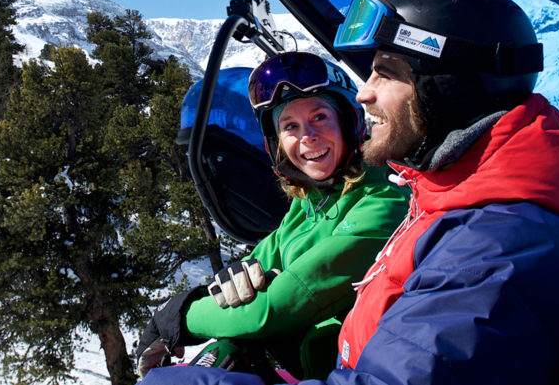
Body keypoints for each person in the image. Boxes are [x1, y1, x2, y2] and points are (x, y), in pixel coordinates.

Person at [143, 0, 559, 385]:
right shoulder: (438, 200)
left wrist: (183, 322)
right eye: (289, 127)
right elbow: (267, 261)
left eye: (385, 71)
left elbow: (287, 306)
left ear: (442, 86)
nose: (366, 92)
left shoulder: (493, 244)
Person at [135, 51, 408, 381]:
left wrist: (180, 317)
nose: (307, 136)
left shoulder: (384, 201)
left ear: (348, 121)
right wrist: (216, 290)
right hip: (309, 359)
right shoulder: (312, 199)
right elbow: (256, 263)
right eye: (290, 125)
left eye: (320, 117)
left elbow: (273, 307)